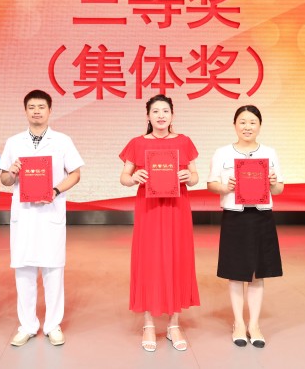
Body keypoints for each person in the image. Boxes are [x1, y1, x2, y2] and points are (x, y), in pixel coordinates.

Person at [0, 89, 84, 347]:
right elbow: (5, 180)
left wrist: (55, 190)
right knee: (23, 271)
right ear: (25, 111)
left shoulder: (62, 140)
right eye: (31, 107)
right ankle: (27, 325)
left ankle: (52, 325)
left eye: (41, 107)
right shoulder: (14, 142)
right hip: (24, 216)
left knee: (53, 270)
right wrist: (12, 172)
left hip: (50, 213)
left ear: (49, 110)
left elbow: (75, 174)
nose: (36, 111)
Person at [119, 94, 200, 352]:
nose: (161, 115)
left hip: (177, 209)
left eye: (165, 111)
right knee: (149, 261)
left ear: (172, 115)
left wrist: (189, 176)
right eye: (155, 111)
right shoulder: (137, 143)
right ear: (148, 116)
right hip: (149, 210)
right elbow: (124, 177)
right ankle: (148, 324)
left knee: (177, 259)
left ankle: (174, 324)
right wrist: (134, 178)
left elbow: (195, 176)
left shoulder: (184, 141)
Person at [207, 105, 284, 349]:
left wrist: (273, 183)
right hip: (235, 217)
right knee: (236, 272)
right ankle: (239, 323)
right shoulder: (222, 153)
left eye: (252, 122)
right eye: (242, 122)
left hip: (261, 217)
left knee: (258, 274)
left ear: (260, 126)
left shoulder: (270, 153)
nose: (247, 127)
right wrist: (225, 187)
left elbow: (279, 189)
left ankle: (255, 325)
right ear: (234, 125)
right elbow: (211, 184)